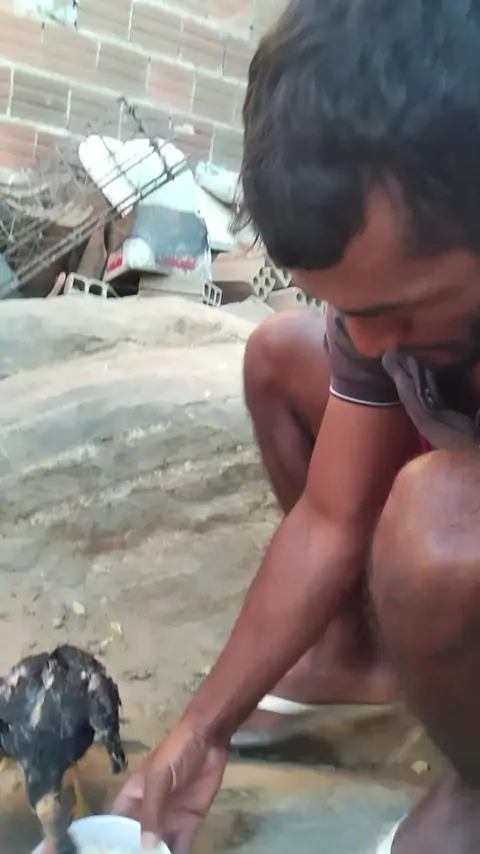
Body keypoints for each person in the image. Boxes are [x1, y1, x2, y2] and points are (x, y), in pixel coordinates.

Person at [112, 1, 480, 852]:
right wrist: (202, 731)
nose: (369, 341)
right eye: (346, 306)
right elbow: (330, 516)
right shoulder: (388, 315)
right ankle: (355, 656)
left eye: (400, 307)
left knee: (438, 531)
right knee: (285, 352)